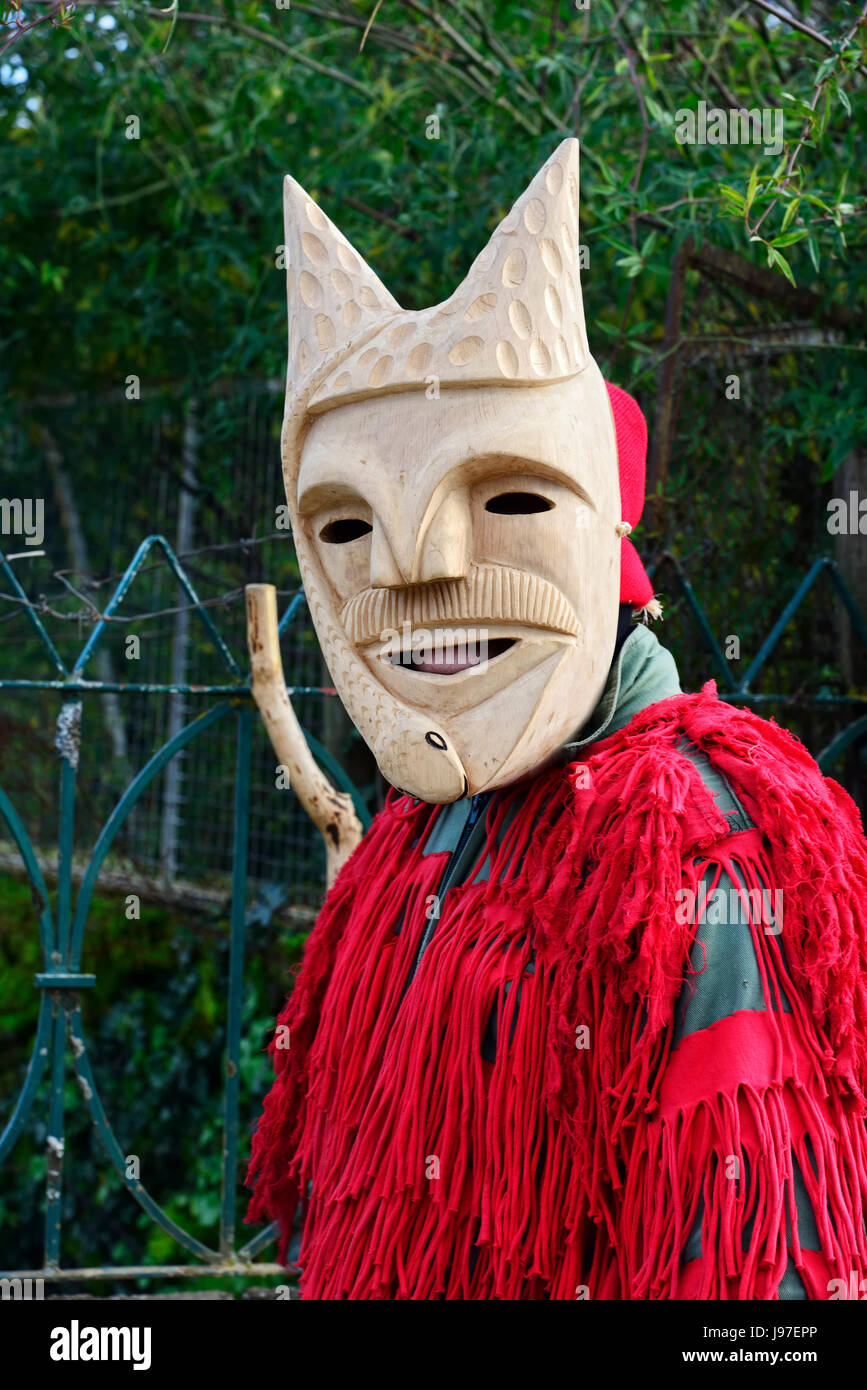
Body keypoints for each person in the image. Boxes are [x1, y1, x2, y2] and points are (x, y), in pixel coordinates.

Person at [247, 139, 867, 1299]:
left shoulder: (703, 840)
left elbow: (751, 1274)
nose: (418, 567)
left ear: (609, 536)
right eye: (344, 524)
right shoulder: (423, 821)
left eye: (512, 498)